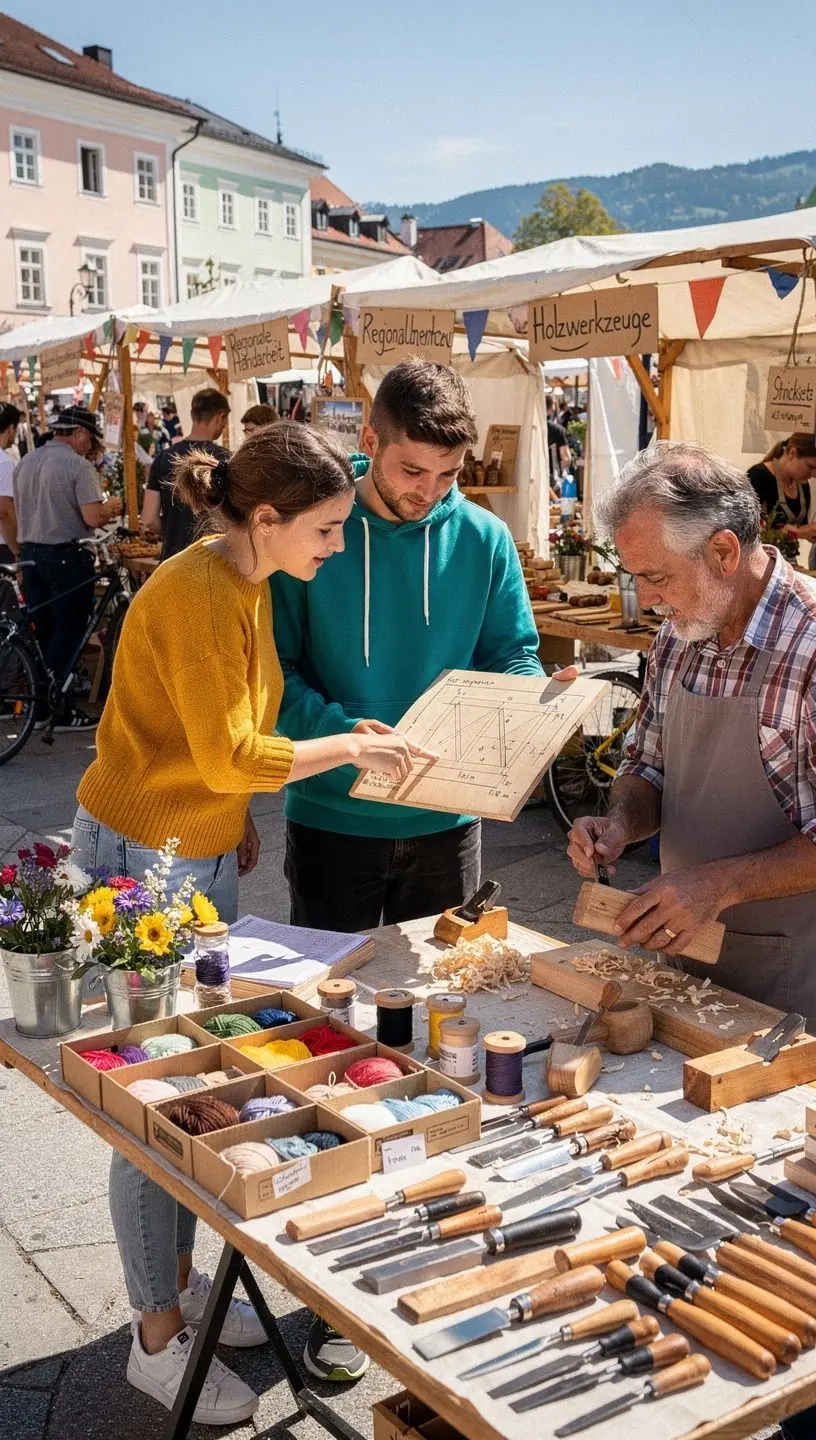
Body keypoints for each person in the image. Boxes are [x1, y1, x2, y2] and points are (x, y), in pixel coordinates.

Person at [71, 421, 429, 1423]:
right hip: (146, 855)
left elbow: (229, 739)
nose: (335, 547)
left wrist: (231, 823)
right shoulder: (198, 592)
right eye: (323, 530)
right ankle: (155, 1335)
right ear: (264, 520)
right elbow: (229, 752)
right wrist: (346, 755)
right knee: (151, 1098)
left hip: (184, 843)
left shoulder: (242, 577)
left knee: (189, 1084)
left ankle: (180, 1296)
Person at [272, 358, 545, 931]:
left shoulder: (485, 536)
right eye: (412, 470)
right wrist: (342, 741)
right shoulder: (315, 532)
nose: (429, 491)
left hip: (449, 820)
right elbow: (273, 671)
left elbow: (512, 653)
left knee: (443, 1005)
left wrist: (535, 702)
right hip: (332, 812)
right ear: (371, 441)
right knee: (328, 1004)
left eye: (447, 474)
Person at [567, 441, 816, 1022]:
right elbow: (647, 764)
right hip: (683, 959)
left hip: (797, 978)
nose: (647, 600)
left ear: (724, 551)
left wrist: (720, 885)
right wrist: (622, 821)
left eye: (656, 577)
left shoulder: (809, 646)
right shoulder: (678, 639)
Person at [13, 404, 121, 729]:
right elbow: (92, 517)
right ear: (79, 434)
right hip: (65, 556)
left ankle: (41, 706)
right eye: (90, 439)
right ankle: (57, 707)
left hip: (31, 554)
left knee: (42, 631)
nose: (91, 447)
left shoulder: (26, 462)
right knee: (68, 631)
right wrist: (112, 507)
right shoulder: (77, 465)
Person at [141, 388, 230, 560]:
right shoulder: (226, 460)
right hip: (214, 561)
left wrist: (171, 530)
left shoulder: (163, 458)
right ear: (220, 417)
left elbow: (149, 518)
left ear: (192, 415)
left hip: (172, 559)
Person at [747, 433, 816, 565]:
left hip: (787, 562)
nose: (813, 474)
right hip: (760, 562)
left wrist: (808, 531)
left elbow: (801, 528)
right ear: (792, 453)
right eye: (810, 466)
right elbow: (748, 529)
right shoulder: (759, 477)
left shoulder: (802, 485)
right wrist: (798, 532)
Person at [0, 401, 22, 563]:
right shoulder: (5, 462)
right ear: (10, 428)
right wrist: (17, 551)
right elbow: (5, 513)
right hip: (3, 546)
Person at [546, 393, 571, 481]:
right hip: (551, 477)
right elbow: (566, 458)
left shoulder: (530, 427)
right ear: (552, 407)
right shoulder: (558, 430)